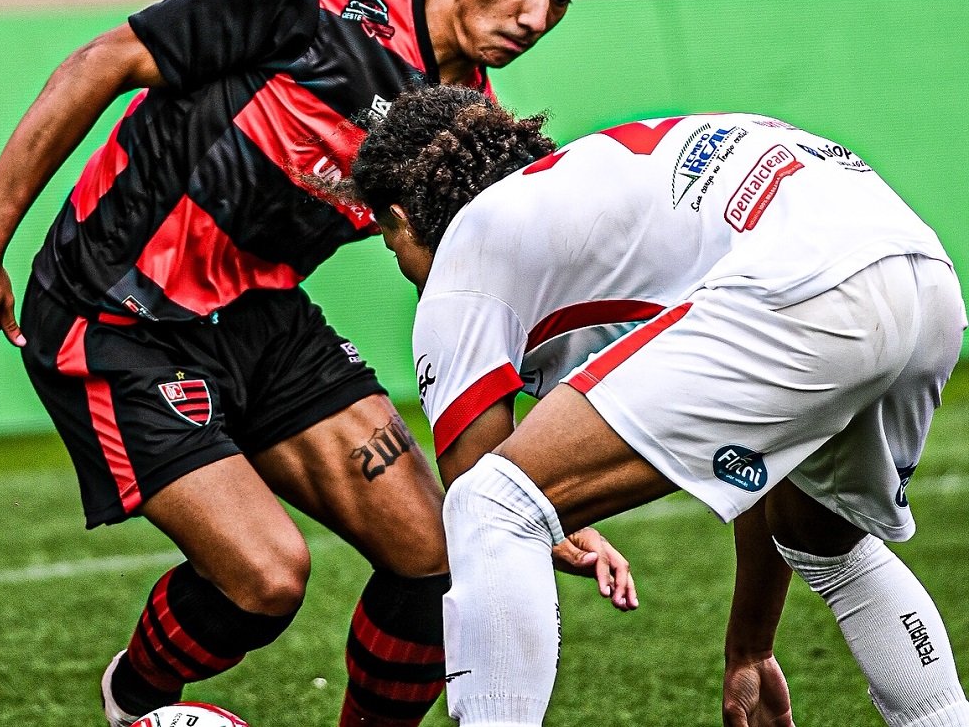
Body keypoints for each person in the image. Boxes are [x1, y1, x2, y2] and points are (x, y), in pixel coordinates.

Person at [0, 0, 622, 727]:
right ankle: (133, 701)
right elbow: (102, 61)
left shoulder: (461, 123)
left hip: (262, 314)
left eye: (559, 0)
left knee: (438, 559)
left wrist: (526, 486)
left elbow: (465, 298)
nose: (534, 17)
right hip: (116, 306)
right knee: (265, 578)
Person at [344, 86, 969, 727]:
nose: (401, 264)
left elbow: (479, 489)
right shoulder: (595, 198)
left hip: (806, 285)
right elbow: (762, 446)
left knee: (490, 505)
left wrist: (547, 518)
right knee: (828, 546)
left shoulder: (467, 249)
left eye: (390, 243)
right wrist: (749, 649)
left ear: (400, 217)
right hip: (924, 279)